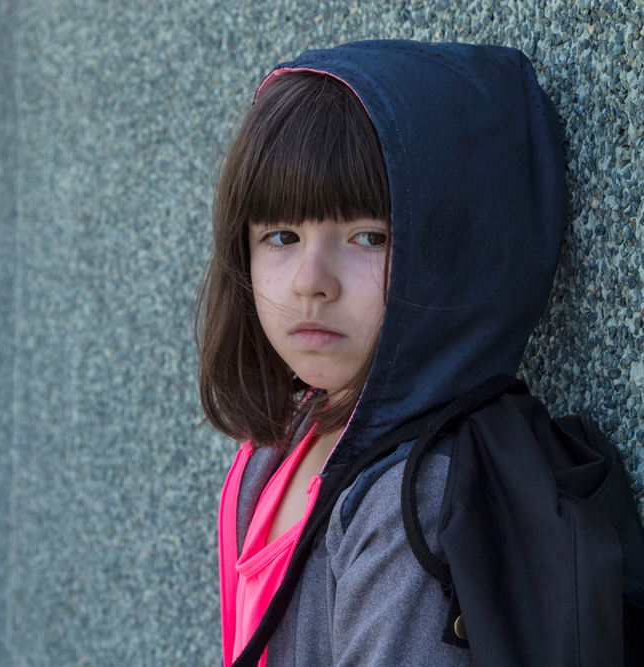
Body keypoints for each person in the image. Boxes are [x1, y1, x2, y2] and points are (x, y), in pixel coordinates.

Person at [196, 41, 644, 667]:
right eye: (281, 235)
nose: (310, 280)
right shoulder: (285, 439)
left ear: (455, 251)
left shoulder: (410, 506)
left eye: (367, 236)